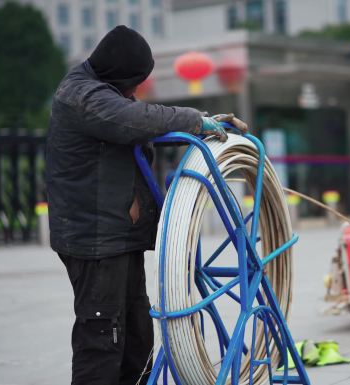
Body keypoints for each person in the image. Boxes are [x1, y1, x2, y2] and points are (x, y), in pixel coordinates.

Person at [45, 25, 247, 385]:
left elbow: (138, 126)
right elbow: (133, 120)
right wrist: (195, 121)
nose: (136, 90)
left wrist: (203, 124)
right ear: (121, 75)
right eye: (135, 82)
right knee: (103, 336)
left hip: (117, 236)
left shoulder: (103, 88)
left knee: (136, 333)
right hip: (96, 241)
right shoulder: (84, 96)